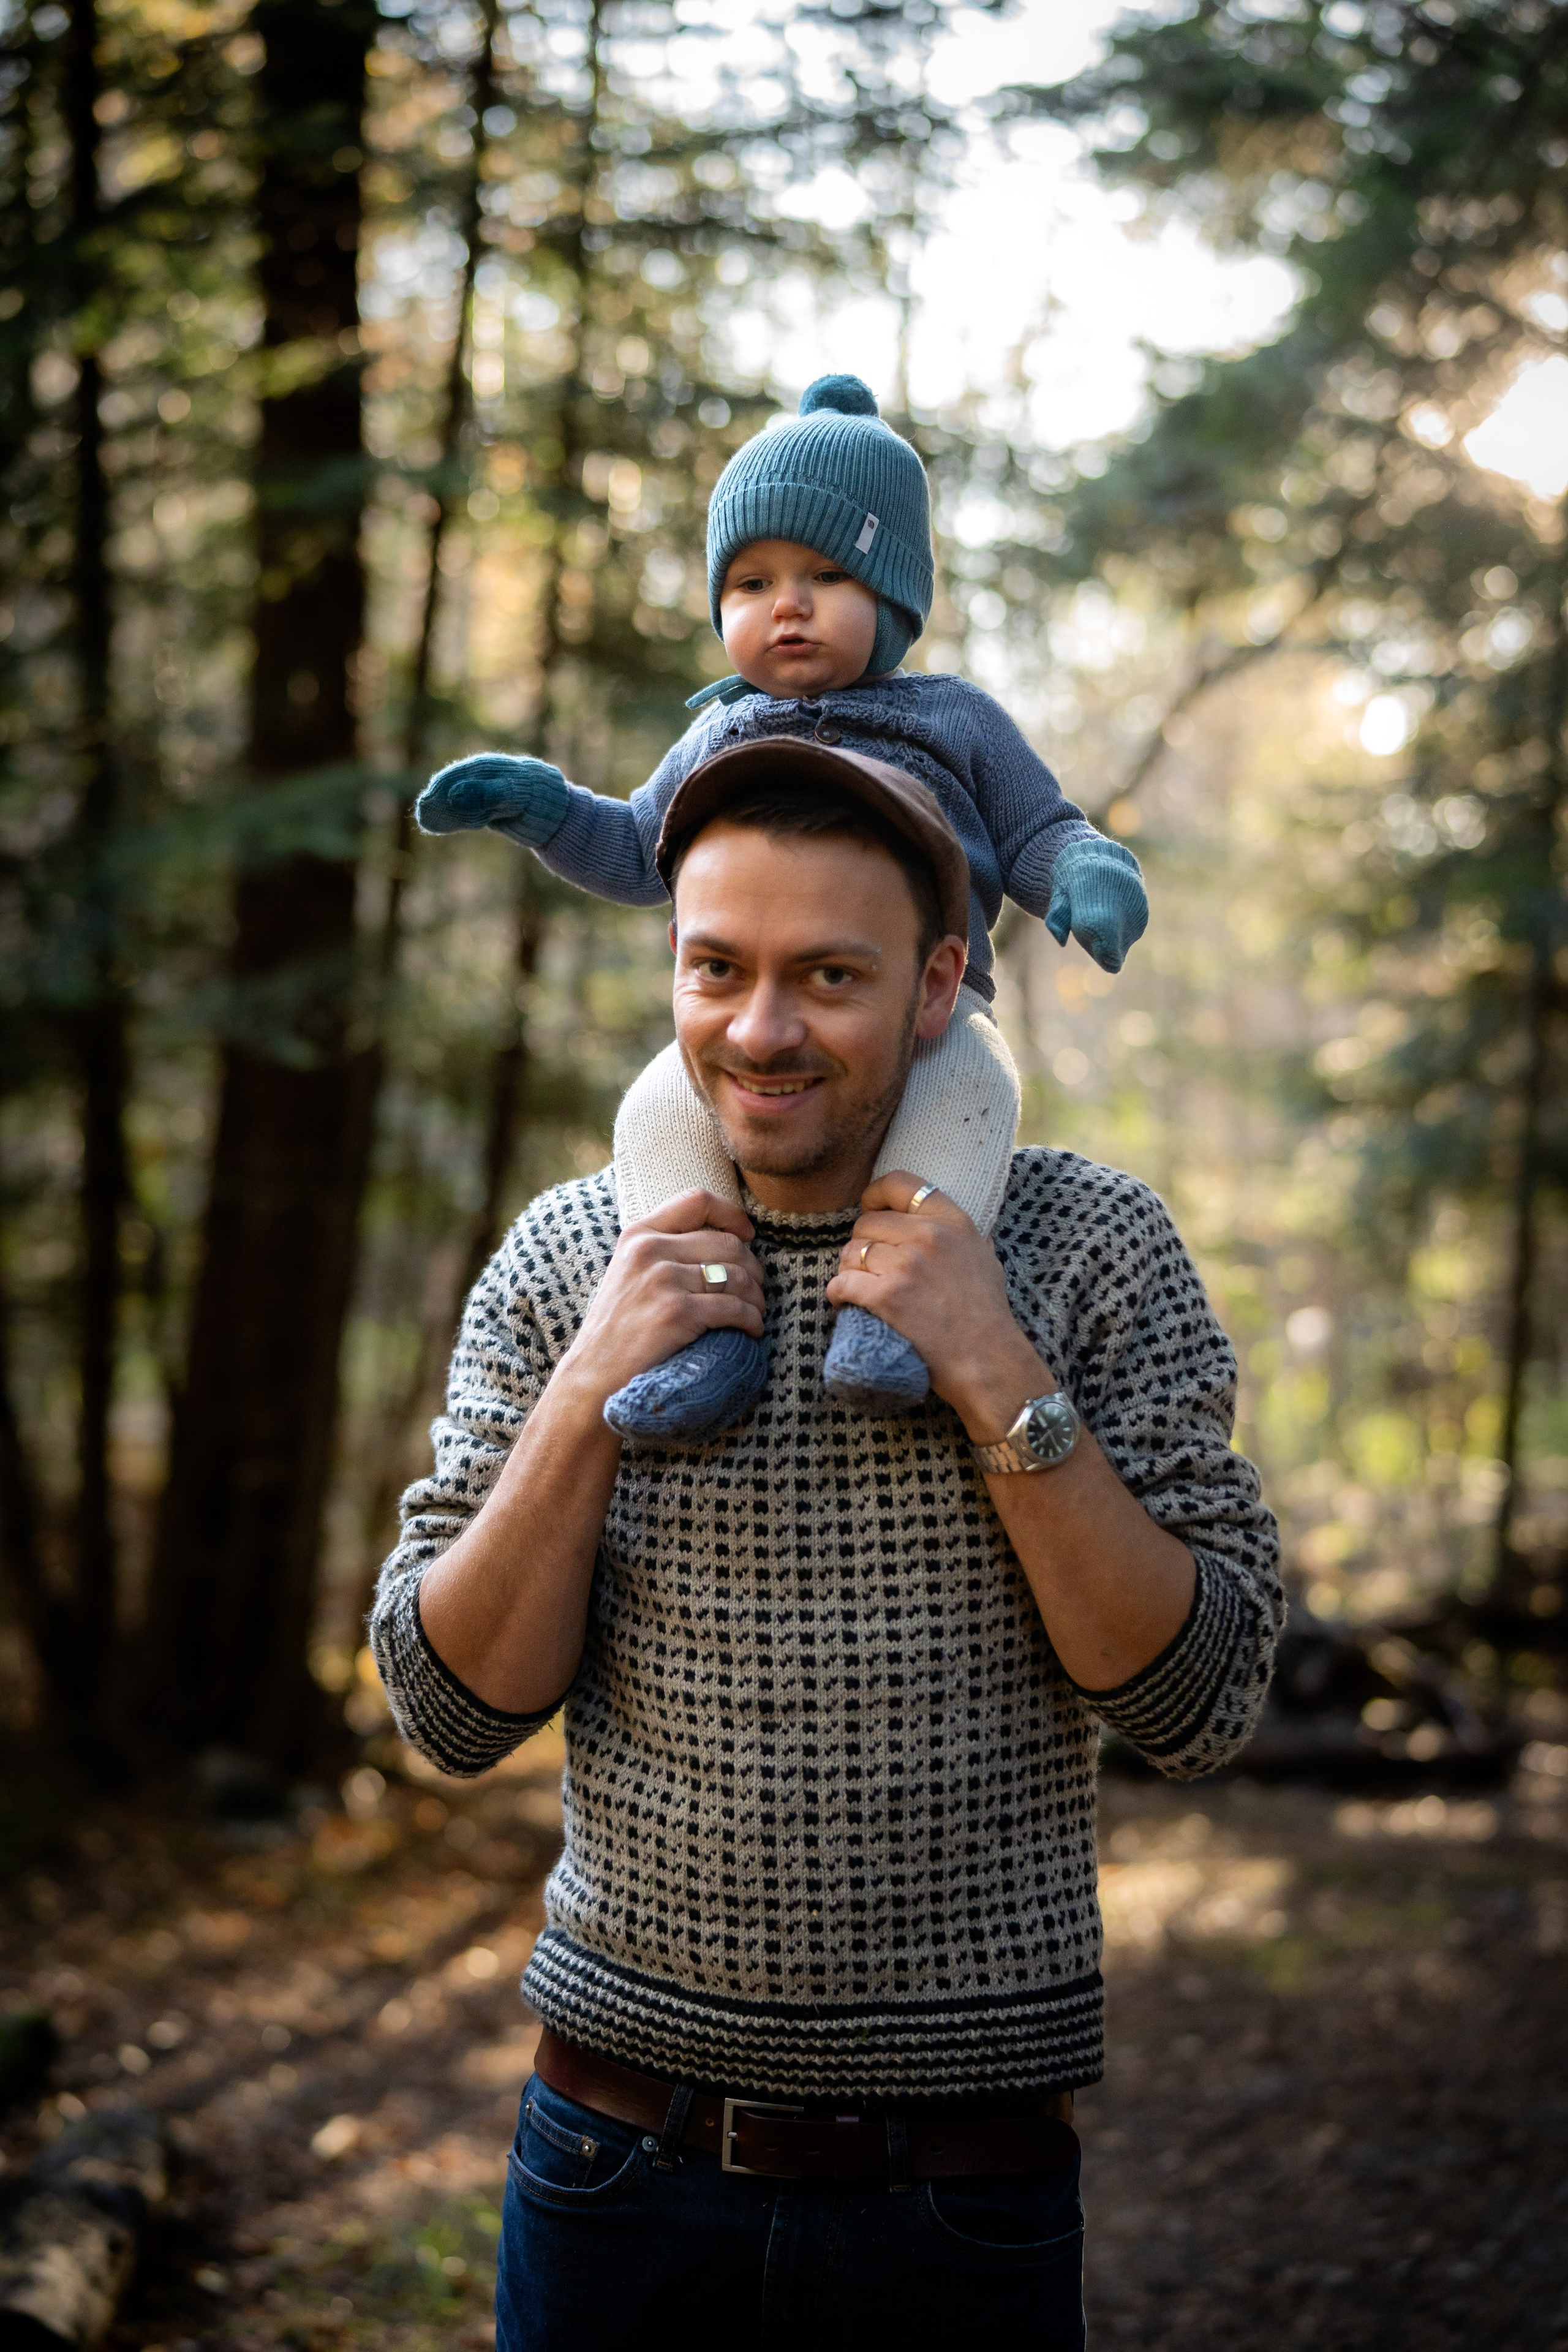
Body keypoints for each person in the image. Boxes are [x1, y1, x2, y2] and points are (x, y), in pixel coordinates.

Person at [370, 736, 1282, 2350]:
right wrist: (591, 1382)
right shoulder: (571, 1250)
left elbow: (1200, 1707)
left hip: (961, 2191)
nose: (760, 1029)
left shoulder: (1092, 1244)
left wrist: (995, 1365)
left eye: (828, 976)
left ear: (941, 988)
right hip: (609, 2168)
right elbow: (448, 1713)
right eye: (716, 967)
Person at [413, 372, 1148, 1439]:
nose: (786, 605)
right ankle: (710, 1332)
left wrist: (1086, 869)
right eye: (750, 582)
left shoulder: (953, 717)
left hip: (930, 1025)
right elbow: (633, 849)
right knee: (657, 1115)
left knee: (974, 1106)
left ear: (896, 598)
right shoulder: (717, 737)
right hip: (767, 1046)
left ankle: (892, 1315)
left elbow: (1039, 827)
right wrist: (541, 809)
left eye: (825, 574)